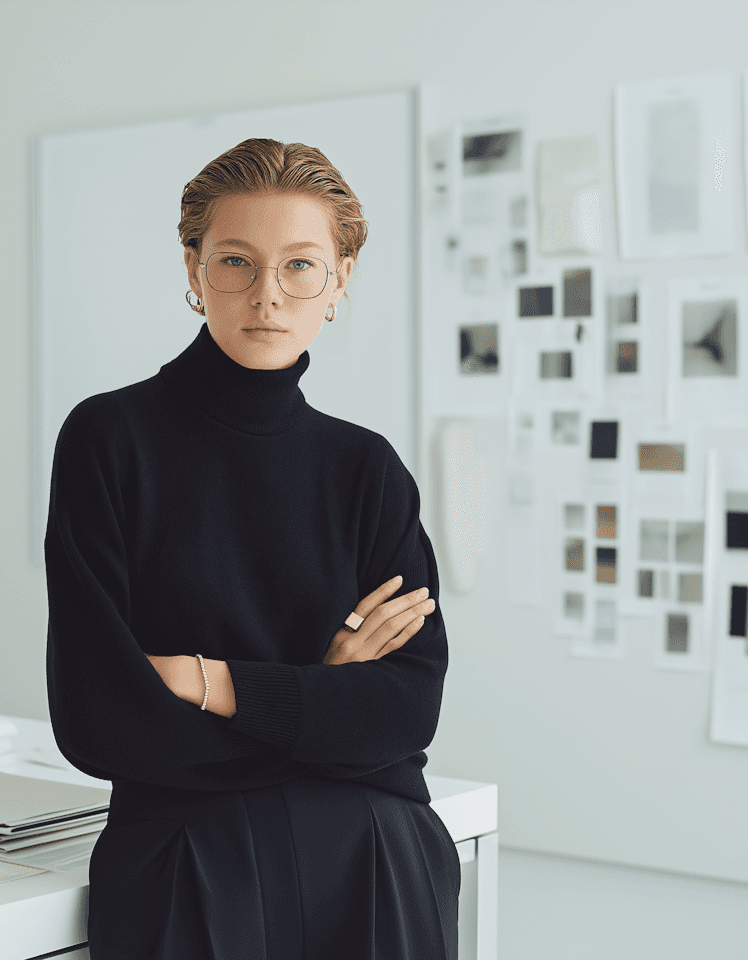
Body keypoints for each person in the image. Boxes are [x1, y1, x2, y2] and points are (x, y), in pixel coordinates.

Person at [45, 137, 460, 959]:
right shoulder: (109, 439)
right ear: (194, 269)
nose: (267, 295)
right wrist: (322, 695)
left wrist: (210, 682)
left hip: (376, 862)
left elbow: (406, 710)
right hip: (187, 865)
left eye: (300, 265)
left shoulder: (365, 467)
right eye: (237, 260)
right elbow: (99, 722)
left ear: (339, 281)